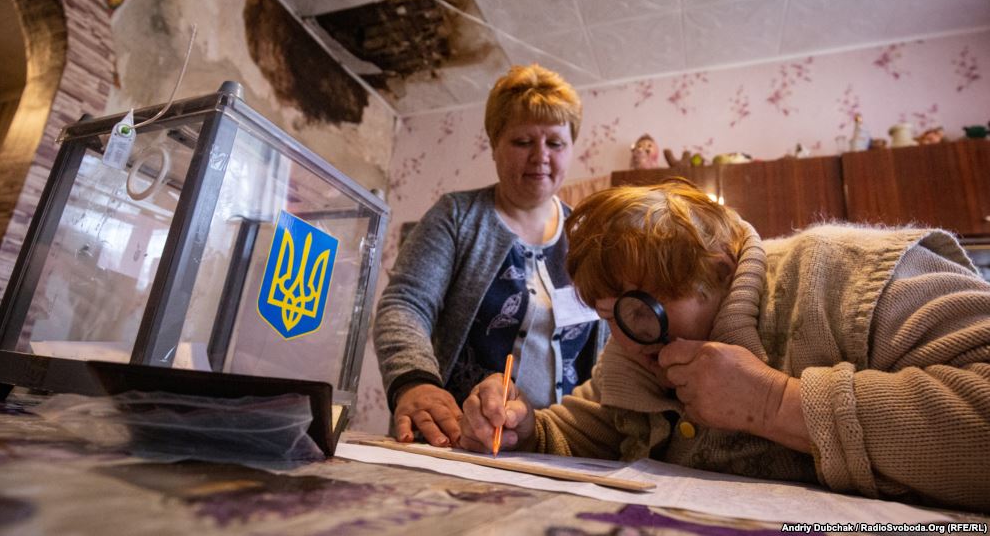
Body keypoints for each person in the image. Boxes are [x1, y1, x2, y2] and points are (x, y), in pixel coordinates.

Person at [459, 179, 990, 512]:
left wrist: (774, 403)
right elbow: (589, 430)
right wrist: (524, 427)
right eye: (606, 315)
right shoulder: (635, 345)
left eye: (641, 309)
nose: (622, 339)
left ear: (718, 271)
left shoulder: (847, 276)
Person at [374, 64, 609, 448]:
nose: (540, 157)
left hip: (560, 447)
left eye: (555, 143)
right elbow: (405, 304)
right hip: (454, 439)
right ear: (494, 144)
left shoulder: (590, 238)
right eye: (523, 142)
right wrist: (414, 380)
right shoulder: (457, 216)